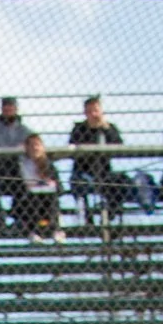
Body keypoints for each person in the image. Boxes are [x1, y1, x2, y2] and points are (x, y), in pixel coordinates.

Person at [68, 96, 130, 227]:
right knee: (79, 183)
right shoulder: (79, 129)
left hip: (104, 173)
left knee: (123, 181)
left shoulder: (109, 128)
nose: (93, 114)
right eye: (89, 111)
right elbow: (73, 148)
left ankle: (110, 214)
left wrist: (106, 129)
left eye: (96, 110)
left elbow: (119, 146)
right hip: (83, 172)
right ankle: (88, 219)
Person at [0, 98, 34, 235]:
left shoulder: (24, 130)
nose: (8, 110)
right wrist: (14, 150)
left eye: (11, 107)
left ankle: (19, 221)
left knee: (25, 185)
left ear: (16, 109)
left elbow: (30, 150)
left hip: (18, 169)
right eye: (6, 107)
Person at [14, 135, 63, 243]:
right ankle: (34, 232)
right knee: (34, 200)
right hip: (28, 199)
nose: (35, 148)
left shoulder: (49, 165)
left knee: (51, 200)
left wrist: (51, 183)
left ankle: (55, 230)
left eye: (37, 145)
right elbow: (17, 188)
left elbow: (60, 189)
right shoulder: (21, 165)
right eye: (31, 145)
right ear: (26, 148)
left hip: (47, 198)